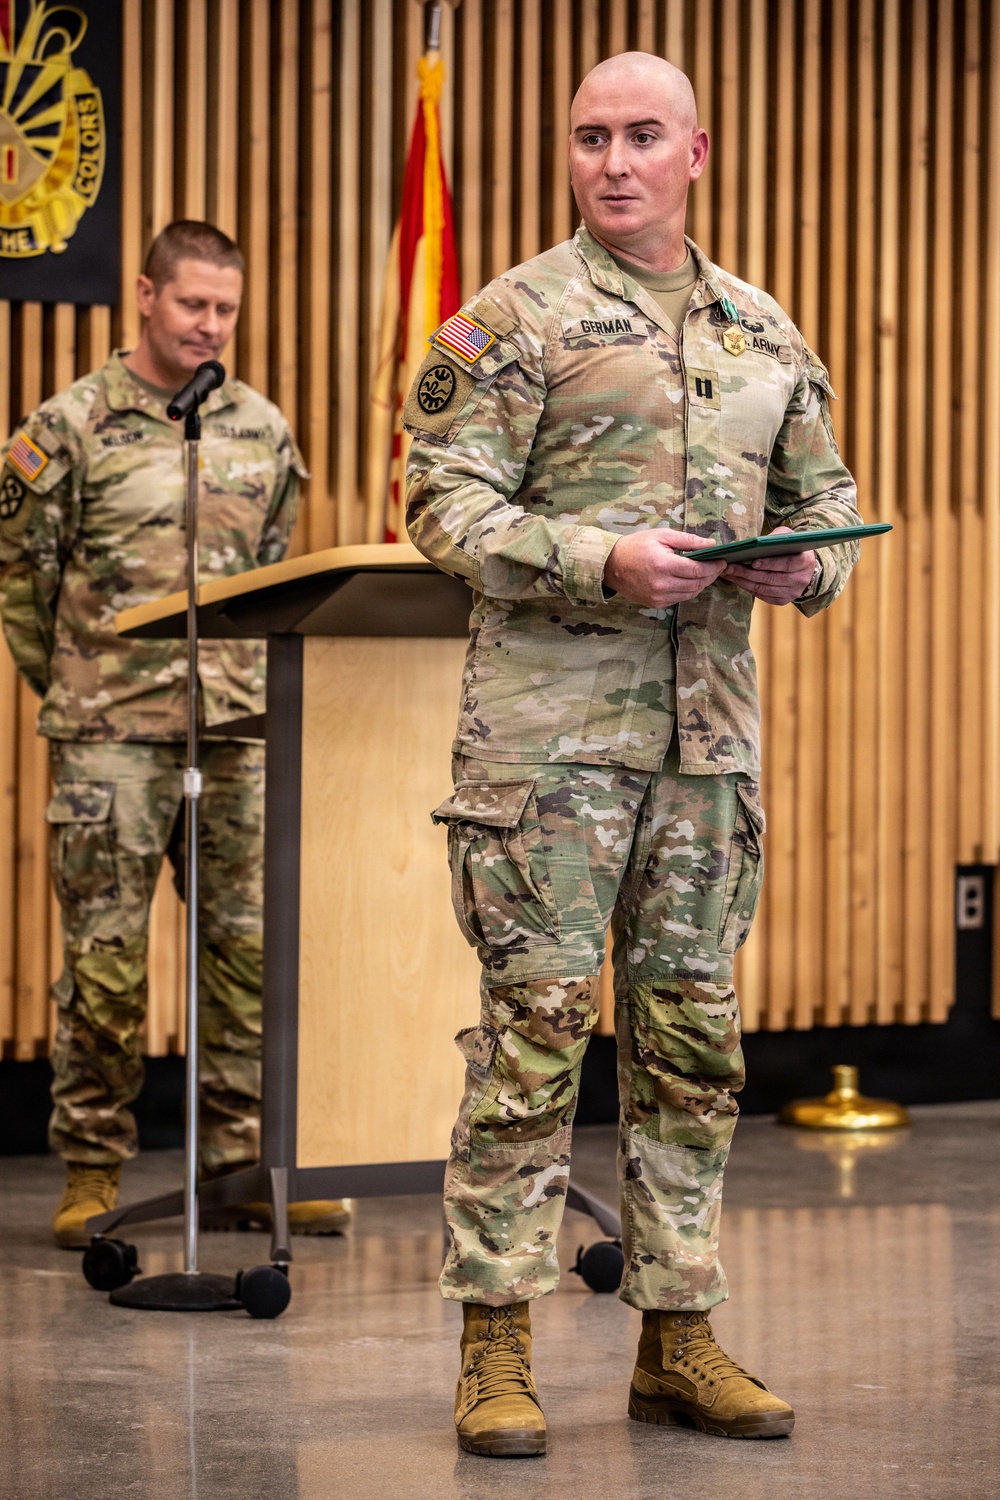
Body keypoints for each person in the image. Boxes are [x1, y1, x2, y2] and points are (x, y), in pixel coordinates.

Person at [404, 54, 861, 1456]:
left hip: (704, 754)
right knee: (534, 1049)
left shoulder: (760, 328)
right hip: (549, 757)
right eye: (591, 137)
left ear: (696, 153)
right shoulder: (512, 321)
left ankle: (678, 1338)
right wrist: (596, 555)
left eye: (641, 136)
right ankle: (497, 1344)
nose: (613, 160)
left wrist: (807, 574)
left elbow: (828, 497)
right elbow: (439, 501)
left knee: (693, 1048)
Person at [0, 220, 350, 1247]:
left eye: (226, 309)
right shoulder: (65, 427)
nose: (209, 325)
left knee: (246, 958)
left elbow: (277, 566)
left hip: (238, 729)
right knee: (105, 961)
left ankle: (238, 1164)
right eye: (192, 303)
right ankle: (94, 1166)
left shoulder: (259, 427)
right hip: (110, 731)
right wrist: (76, 684)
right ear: (144, 295)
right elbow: (22, 580)